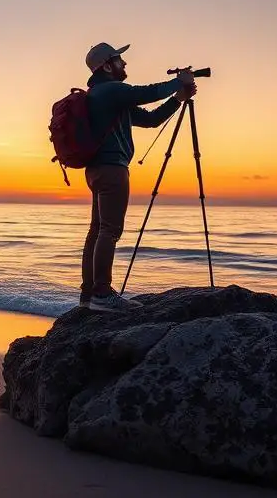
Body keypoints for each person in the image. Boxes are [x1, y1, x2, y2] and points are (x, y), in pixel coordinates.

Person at [80, 42, 196, 311]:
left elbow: (151, 119)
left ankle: (88, 296)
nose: (125, 64)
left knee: (97, 231)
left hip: (96, 170)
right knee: (109, 230)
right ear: (107, 66)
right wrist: (178, 81)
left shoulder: (99, 95)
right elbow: (148, 93)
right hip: (112, 169)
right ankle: (102, 294)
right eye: (120, 60)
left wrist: (177, 98)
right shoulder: (111, 90)